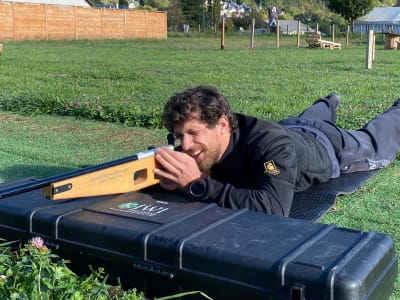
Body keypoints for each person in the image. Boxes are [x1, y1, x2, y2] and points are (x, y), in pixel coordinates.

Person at [154, 85, 400, 216]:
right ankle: (328, 103)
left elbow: (272, 208)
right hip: (293, 128)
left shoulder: (271, 149)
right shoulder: (200, 145)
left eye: (193, 134)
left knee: (377, 137)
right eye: (179, 137)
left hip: (329, 145)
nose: (185, 146)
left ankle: (331, 105)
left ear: (222, 124)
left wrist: (196, 183)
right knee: (312, 117)